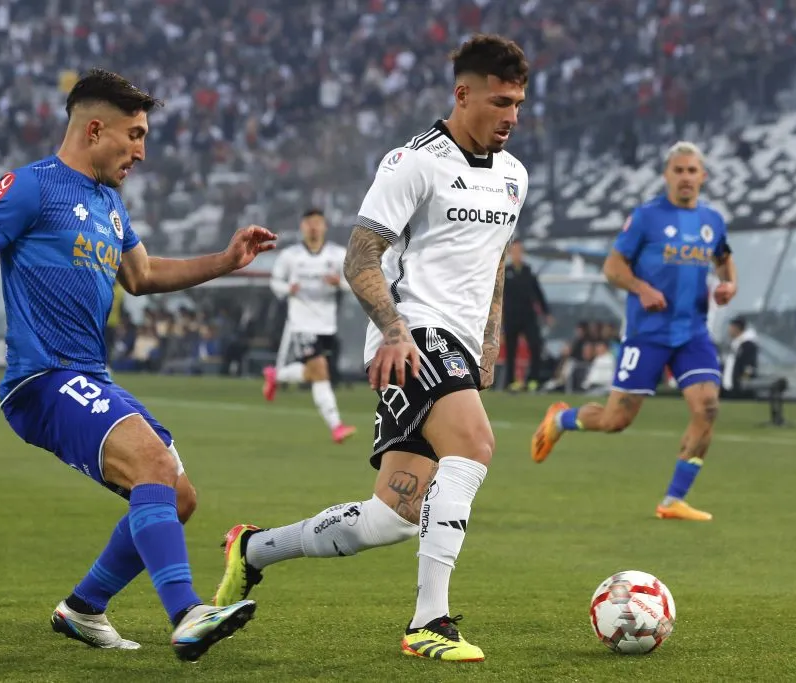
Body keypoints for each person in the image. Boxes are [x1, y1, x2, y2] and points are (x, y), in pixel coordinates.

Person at [212, 34, 531, 663]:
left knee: (392, 517)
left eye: (518, 103)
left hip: (458, 347)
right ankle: (428, 623)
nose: (511, 116)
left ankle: (251, 549)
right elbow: (362, 255)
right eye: (500, 102)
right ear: (462, 94)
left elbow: (493, 267)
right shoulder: (412, 162)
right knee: (476, 444)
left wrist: (489, 345)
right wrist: (393, 329)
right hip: (411, 335)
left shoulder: (515, 176)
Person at [0, 69, 275, 662]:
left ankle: (83, 608)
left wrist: (226, 260)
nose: (142, 151)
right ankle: (187, 612)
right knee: (151, 459)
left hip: (87, 378)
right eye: (135, 135)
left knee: (178, 495)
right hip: (43, 379)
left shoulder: (109, 203)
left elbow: (142, 277)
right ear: (95, 128)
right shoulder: (32, 187)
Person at [531, 141, 738, 522]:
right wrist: (641, 289)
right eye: (679, 170)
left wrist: (728, 286)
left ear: (703, 176)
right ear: (667, 175)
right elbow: (612, 268)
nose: (686, 177)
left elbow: (725, 260)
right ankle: (560, 419)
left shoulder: (713, 221)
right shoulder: (646, 217)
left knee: (707, 408)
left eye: (693, 171)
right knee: (615, 421)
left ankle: (673, 499)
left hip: (692, 334)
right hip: (647, 334)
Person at [262, 208, 356, 443]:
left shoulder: (337, 254)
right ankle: (336, 426)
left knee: (314, 374)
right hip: (301, 324)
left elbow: (353, 282)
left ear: (324, 226)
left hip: (327, 325)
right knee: (320, 370)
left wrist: (339, 283)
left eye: (317, 222)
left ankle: (278, 375)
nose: (313, 227)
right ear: (302, 227)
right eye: (309, 223)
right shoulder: (290, 256)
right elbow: (275, 282)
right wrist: (287, 289)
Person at [502, 240, 551, 392]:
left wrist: (546, 313)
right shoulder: (505, 272)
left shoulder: (528, 271)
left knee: (535, 346)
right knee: (510, 350)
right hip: (511, 317)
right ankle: (510, 381)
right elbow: (498, 297)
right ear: (510, 253)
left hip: (528, 316)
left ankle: (533, 380)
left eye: (520, 251)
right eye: (515, 251)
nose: (517, 254)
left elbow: (538, 294)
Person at [720, 317, 759, 400]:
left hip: (739, 390)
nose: (729, 330)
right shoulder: (734, 344)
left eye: (731, 327)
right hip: (728, 387)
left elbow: (749, 366)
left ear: (736, 328)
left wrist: (744, 380)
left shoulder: (748, 345)